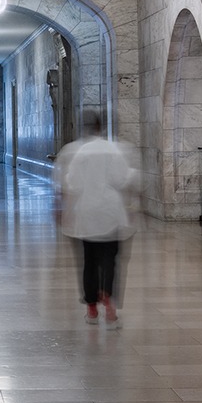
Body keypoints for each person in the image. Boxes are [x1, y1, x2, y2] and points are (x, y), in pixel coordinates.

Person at [55, 110, 138, 323]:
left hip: (87, 212)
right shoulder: (113, 150)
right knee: (110, 260)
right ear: (102, 128)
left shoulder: (81, 153)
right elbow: (121, 180)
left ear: (84, 128)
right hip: (111, 213)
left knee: (89, 261)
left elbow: (72, 182)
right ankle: (107, 297)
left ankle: (91, 307)